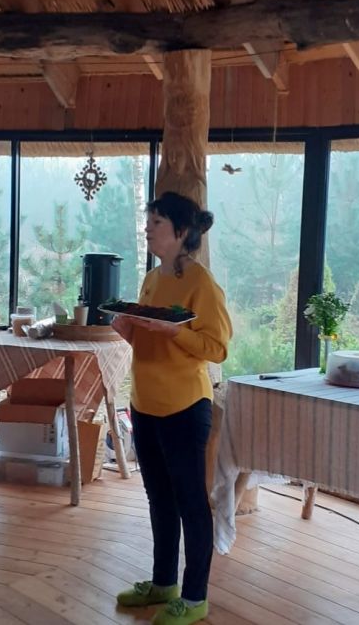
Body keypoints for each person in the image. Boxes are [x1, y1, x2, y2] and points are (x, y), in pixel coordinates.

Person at [112, 191, 232, 625]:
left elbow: (217, 348)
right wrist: (127, 328)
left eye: (157, 222)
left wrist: (173, 331)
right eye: (148, 222)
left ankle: (195, 596)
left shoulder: (202, 283)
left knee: (190, 503)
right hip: (144, 404)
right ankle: (163, 583)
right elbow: (149, 342)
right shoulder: (151, 279)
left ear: (181, 232)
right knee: (159, 498)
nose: (148, 229)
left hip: (184, 406)